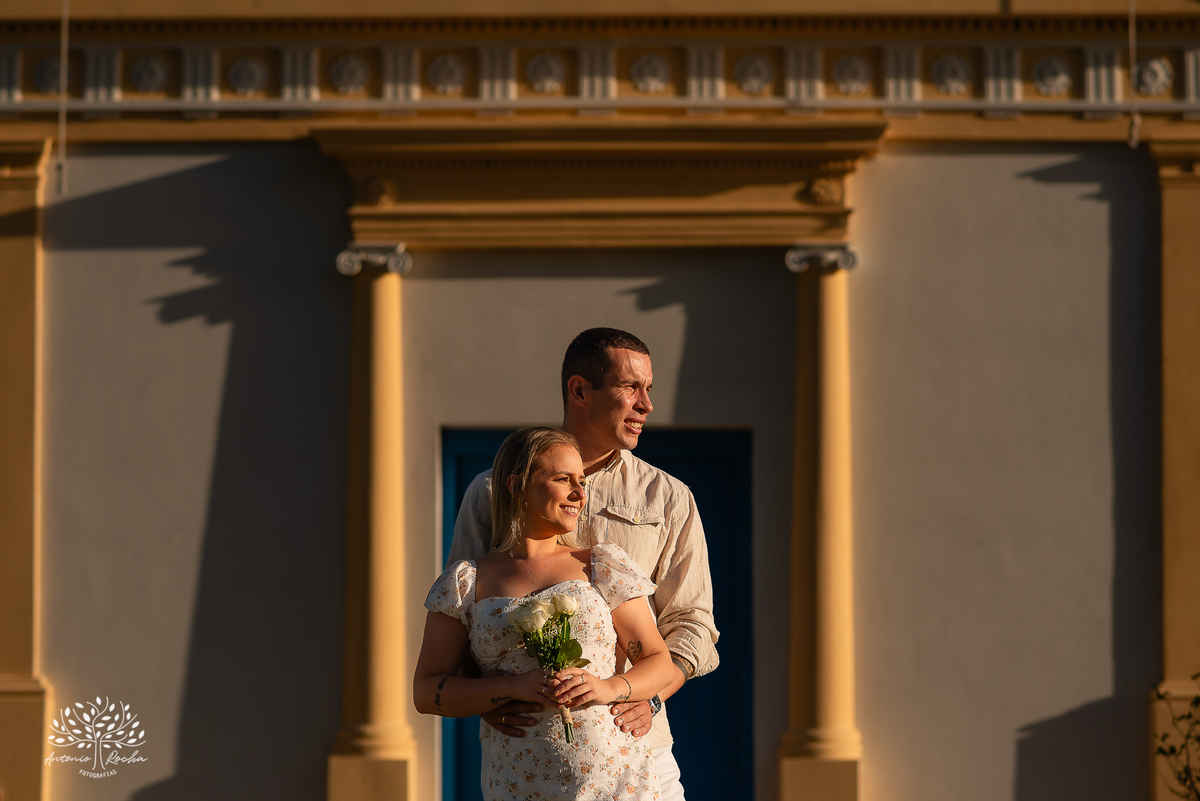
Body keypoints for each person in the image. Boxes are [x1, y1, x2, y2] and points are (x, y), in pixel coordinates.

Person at [448, 327, 719, 801]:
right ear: (579, 390)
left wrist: (649, 693)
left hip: (640, 748)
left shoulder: (668, 498)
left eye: (649, 389)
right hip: (524, 758)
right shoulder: (492, 493)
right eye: (631, 387)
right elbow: (458, 619)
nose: (646, 404)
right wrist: (486, 691)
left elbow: (693, 622)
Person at [414, 427, 676, 800]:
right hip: (518, 784)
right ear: (517, 484)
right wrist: (505, 688)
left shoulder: (602, 564)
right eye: (562, 479)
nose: (579, 492)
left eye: (581, 481)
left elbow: (658, 660)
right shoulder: (465, 582)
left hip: (617, 782)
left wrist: (608, 689)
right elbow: (426, 691)